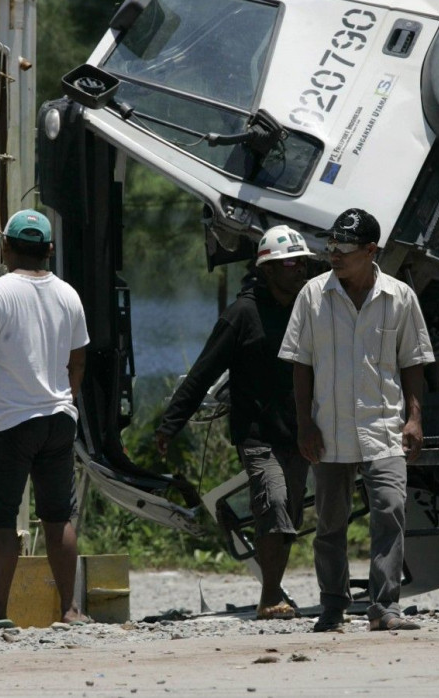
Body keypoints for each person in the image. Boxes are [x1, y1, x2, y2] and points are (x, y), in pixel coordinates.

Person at [279, 208, 435, 633]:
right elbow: (300, 364)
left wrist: (414, 418)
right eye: (330, 247)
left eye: (343, 250)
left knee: (391, 508)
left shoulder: (399, 297)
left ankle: (385, 606)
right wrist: (304, 423)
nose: (334, 255)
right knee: (330, 521)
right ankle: (332, 605)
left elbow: (414, 362)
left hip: (383, 425)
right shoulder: (313, 296)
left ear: (371, 251)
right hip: (328, 427)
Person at [155, 225, 314, 620]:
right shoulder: (242, 315)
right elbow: (203, 372)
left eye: (303, 263)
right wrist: (169, 424)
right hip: (257, 432)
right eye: (290, 264)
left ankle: (272, 589)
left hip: (300, 432)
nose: (299, 270)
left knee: (288, 516)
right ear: (267, 270)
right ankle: (270, 596)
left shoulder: (309, 309)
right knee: (273, 503)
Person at [0, 209, 90, 632]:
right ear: (49, 249)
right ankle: (71, 610)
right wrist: (65, 401)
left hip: (10, 424)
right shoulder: (68, 295)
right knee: (57, 515)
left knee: (2, 519)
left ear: (5, 246)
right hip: (60, 419)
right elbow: (78, 360)